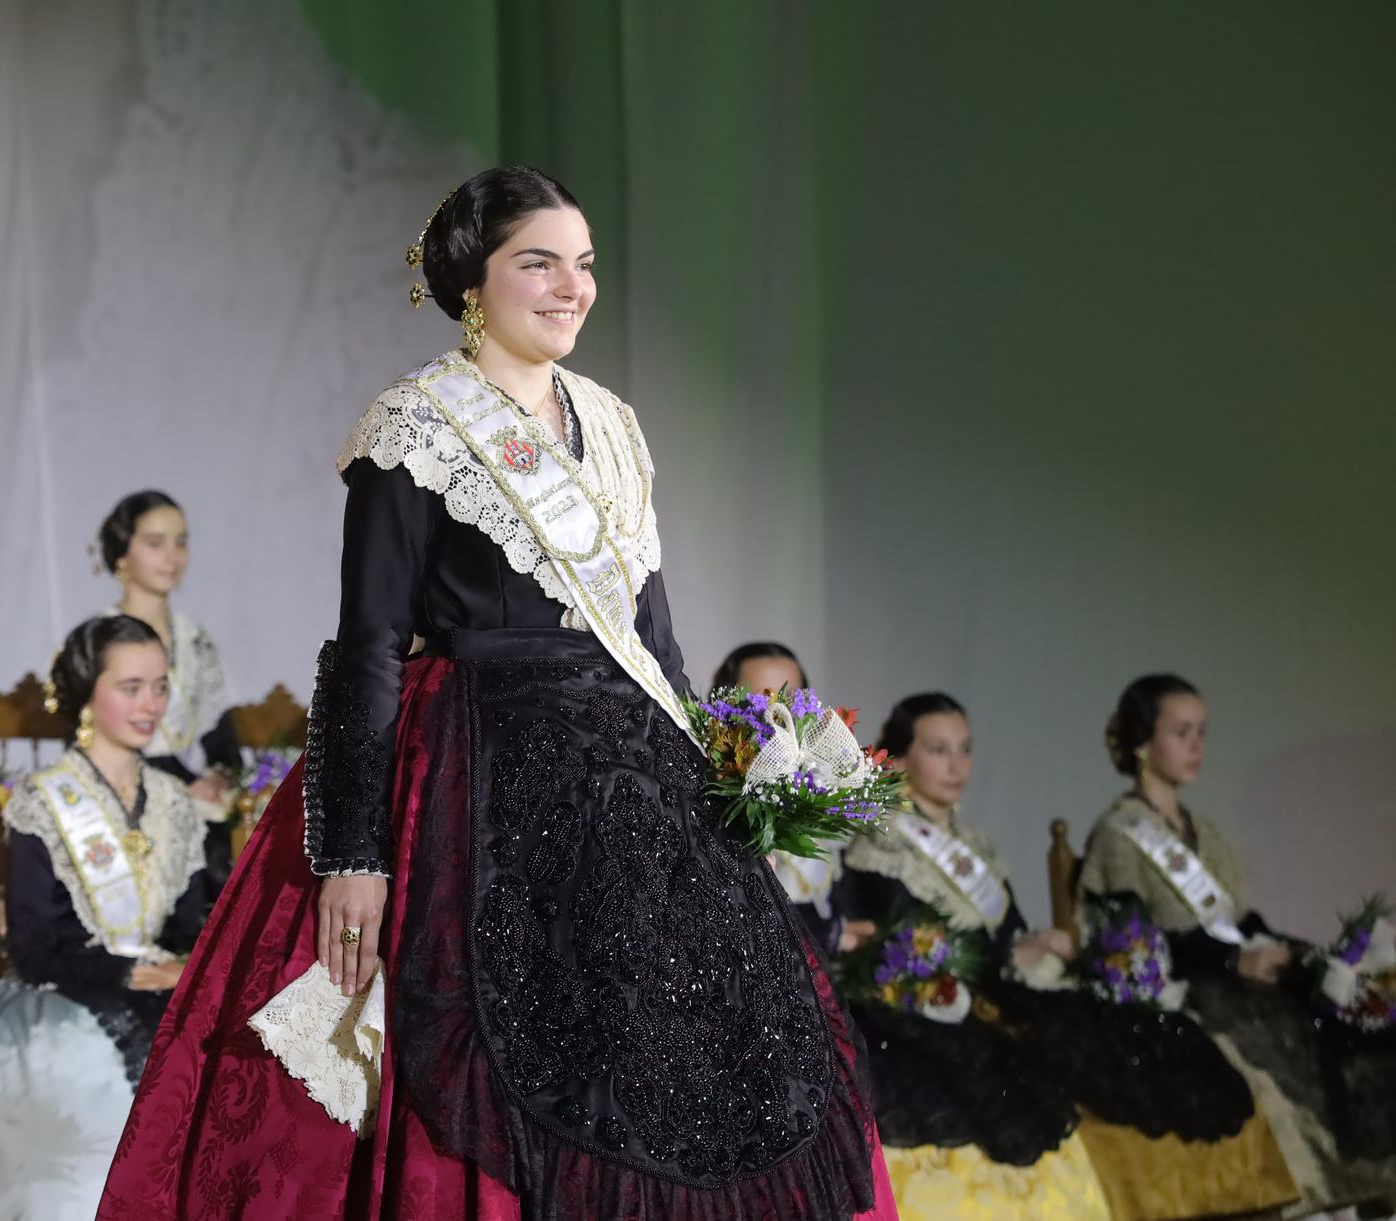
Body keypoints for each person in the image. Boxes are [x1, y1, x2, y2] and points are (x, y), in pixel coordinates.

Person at [99, 167, 895, 1219]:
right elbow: (370, 646)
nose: (571, 287)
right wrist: (352, 853)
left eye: (584, 265)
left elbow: (651, 636)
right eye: (539, 262)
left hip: (632, 784)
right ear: (473, 282)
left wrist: (726, 791)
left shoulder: (610, 424)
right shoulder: (412, 428)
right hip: (477, 773)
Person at [846, 693, 1292, 1219]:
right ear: (898, 760)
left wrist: (1032, 946)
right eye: (938, 750)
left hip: (1004, 982)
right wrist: (1015, 953)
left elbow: (1005, 931)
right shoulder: (881, 844)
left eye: (965, 749)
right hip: (941, 997)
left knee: (1144, 1039)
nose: (957, 765)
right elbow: (923, 944)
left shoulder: (974, 842)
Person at [0, 615, 222, 1219]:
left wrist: (181, 968)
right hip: (62, 999)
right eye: (131, 687)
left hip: (161, 989)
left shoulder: (177, 804)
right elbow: (35, 948)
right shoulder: (42, 799)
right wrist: (124, 975)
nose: (150, 705)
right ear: (90, 690)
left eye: (160, 687)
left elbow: (192, 927)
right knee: (88, 1086)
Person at [1081, 675, 1396, 1216]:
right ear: (1141, 742)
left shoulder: (1208, 832)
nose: (1196, 746)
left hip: (1239, 975)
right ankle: (1310, 1198)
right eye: (1181, 732)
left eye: (1202, 732)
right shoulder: (1119, 835)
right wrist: (1231, 960)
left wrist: (1289, 952)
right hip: (1186, 987)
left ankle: (1363, 1192)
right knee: (1270, 1039)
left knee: (1347, 1016)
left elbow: (1235, 917)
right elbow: (1128, 940)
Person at [713, 641, 870, 957]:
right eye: (760, 702)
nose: (776, 716)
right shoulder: (711, 805)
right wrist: (831, 937)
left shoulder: (816, 792)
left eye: (789, 701)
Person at [94, 491, 238, 804]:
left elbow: (219, 729)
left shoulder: (193, 638)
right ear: (122, 551)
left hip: (195, 799)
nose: (172, 557)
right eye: (155, 543)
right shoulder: (100, 639)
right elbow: (92, 740)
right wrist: (181, 785)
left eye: (181, 543)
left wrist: (219, 776)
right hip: (122, 796)